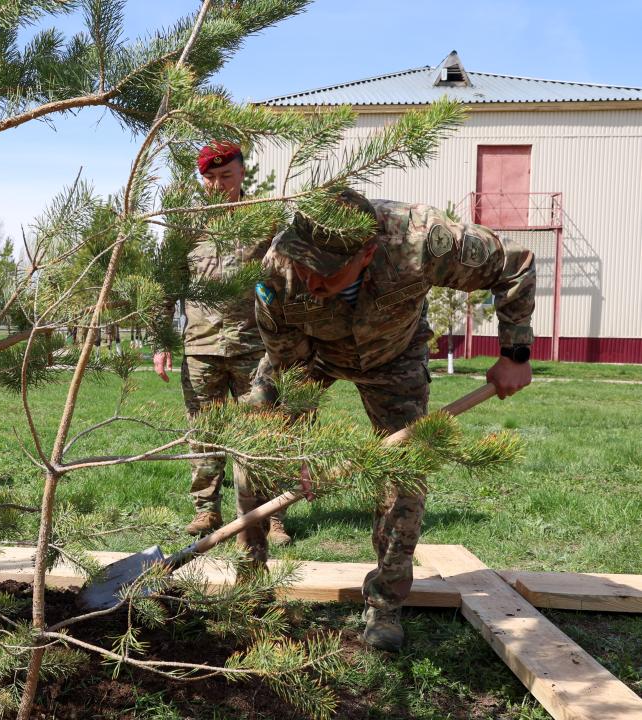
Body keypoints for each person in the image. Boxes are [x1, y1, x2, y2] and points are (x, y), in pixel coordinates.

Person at [245, 188, 535, 652]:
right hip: (310, 356)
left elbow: (514, 263)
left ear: (367, 252)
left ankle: (385, 604)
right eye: (305, 265)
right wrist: (293, 440)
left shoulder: (421, 240)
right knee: (253, 450)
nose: (311, 280)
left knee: (405, 477)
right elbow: (287, 364)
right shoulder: (278, 271)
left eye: (326, 270)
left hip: (393, 356)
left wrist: (515, 352)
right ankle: (250, 584)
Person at [151, 141, 287, 563]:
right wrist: (161, 341)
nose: (217, 185)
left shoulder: (266, 219)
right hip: (201, 346)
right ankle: (206, 510)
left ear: (242, 173)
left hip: (255, 346)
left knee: (262, 434)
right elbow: (167, 286)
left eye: (225, 176)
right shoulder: (187, 225)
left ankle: (271, 516)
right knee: (204, 433)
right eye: (209, 178)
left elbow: (287, 278)